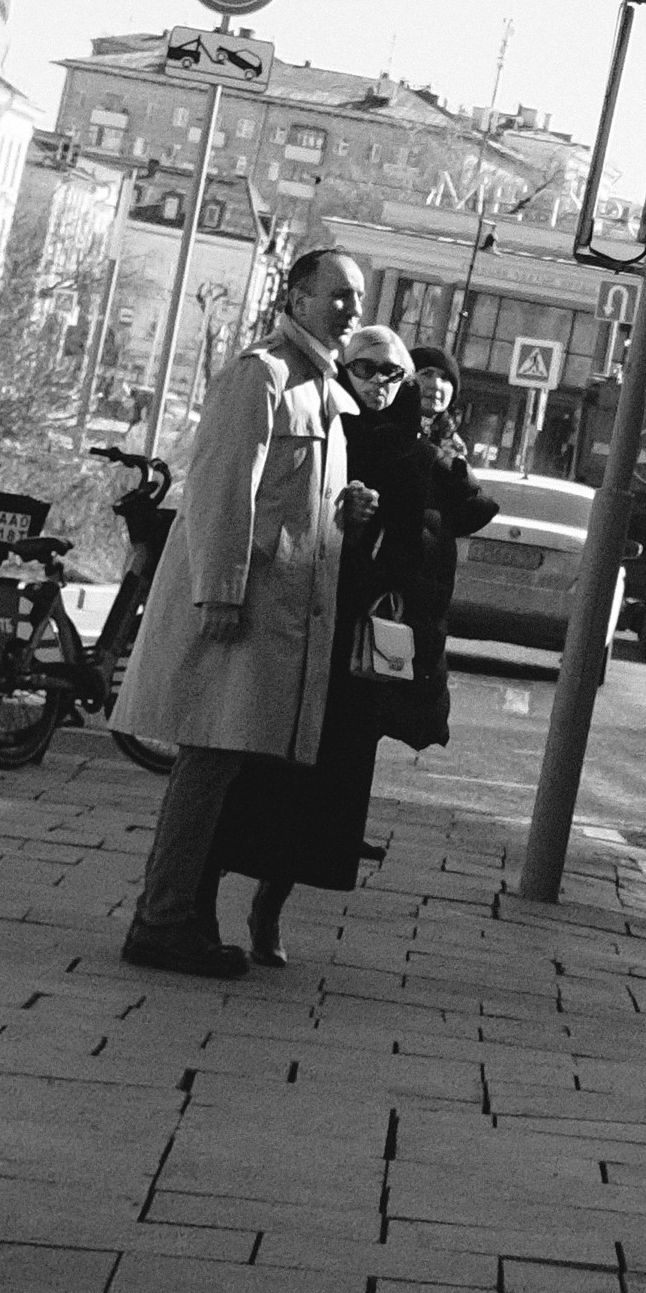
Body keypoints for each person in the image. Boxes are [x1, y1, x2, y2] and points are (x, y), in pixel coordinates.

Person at [208, 325, 496, 966]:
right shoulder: (322, 422)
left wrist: (408, 510)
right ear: (344, 368)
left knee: (321, 794)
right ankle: (201, 900)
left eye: (394, 376)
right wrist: (339, 506)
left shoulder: (415, 452)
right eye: (366, 369)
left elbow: (455, 528)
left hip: (357, 647)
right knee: (256, 775)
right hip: (291, 628)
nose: (379, 384)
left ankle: (268, 913)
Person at [116, 243, 367, 977]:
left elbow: (299, 507)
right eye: (337, 295)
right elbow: (221, 491)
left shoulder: (320, 389)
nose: (351, 311)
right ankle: (160, 921)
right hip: (241, 615)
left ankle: (181, 917)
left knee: (226, 770)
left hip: (277, 624)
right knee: (208, 763)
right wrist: (220, 590)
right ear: (295, 297)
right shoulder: (263, 378)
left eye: (358, 298)